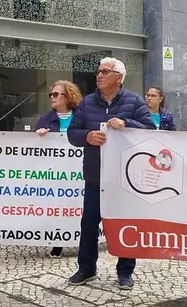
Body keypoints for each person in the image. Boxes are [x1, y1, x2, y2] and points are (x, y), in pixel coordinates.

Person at [66, 57, 155, 290]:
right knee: (89, 223)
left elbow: (150, 129)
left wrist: (127, 123)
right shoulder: (87, 103)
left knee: (125, 223)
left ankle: (125, 271)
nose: (99, 75)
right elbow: (72, 133)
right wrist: (87, 136)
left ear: (119, 78)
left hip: (124, 178)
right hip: (96, 176)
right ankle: (86, 268)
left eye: (105, 72)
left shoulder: (134, 101)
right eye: (99, 71)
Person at [34, 80, 84, 258]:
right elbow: (33, 148)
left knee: (78, 206)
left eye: (56, 94)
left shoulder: (81, 117)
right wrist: (39, 137)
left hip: (78, 170)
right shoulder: (45, 119)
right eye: (51, 94)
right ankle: (57, 242)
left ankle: (82, 239)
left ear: (68, 97)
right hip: (55, 172)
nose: (52, 98)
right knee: (57, 206)